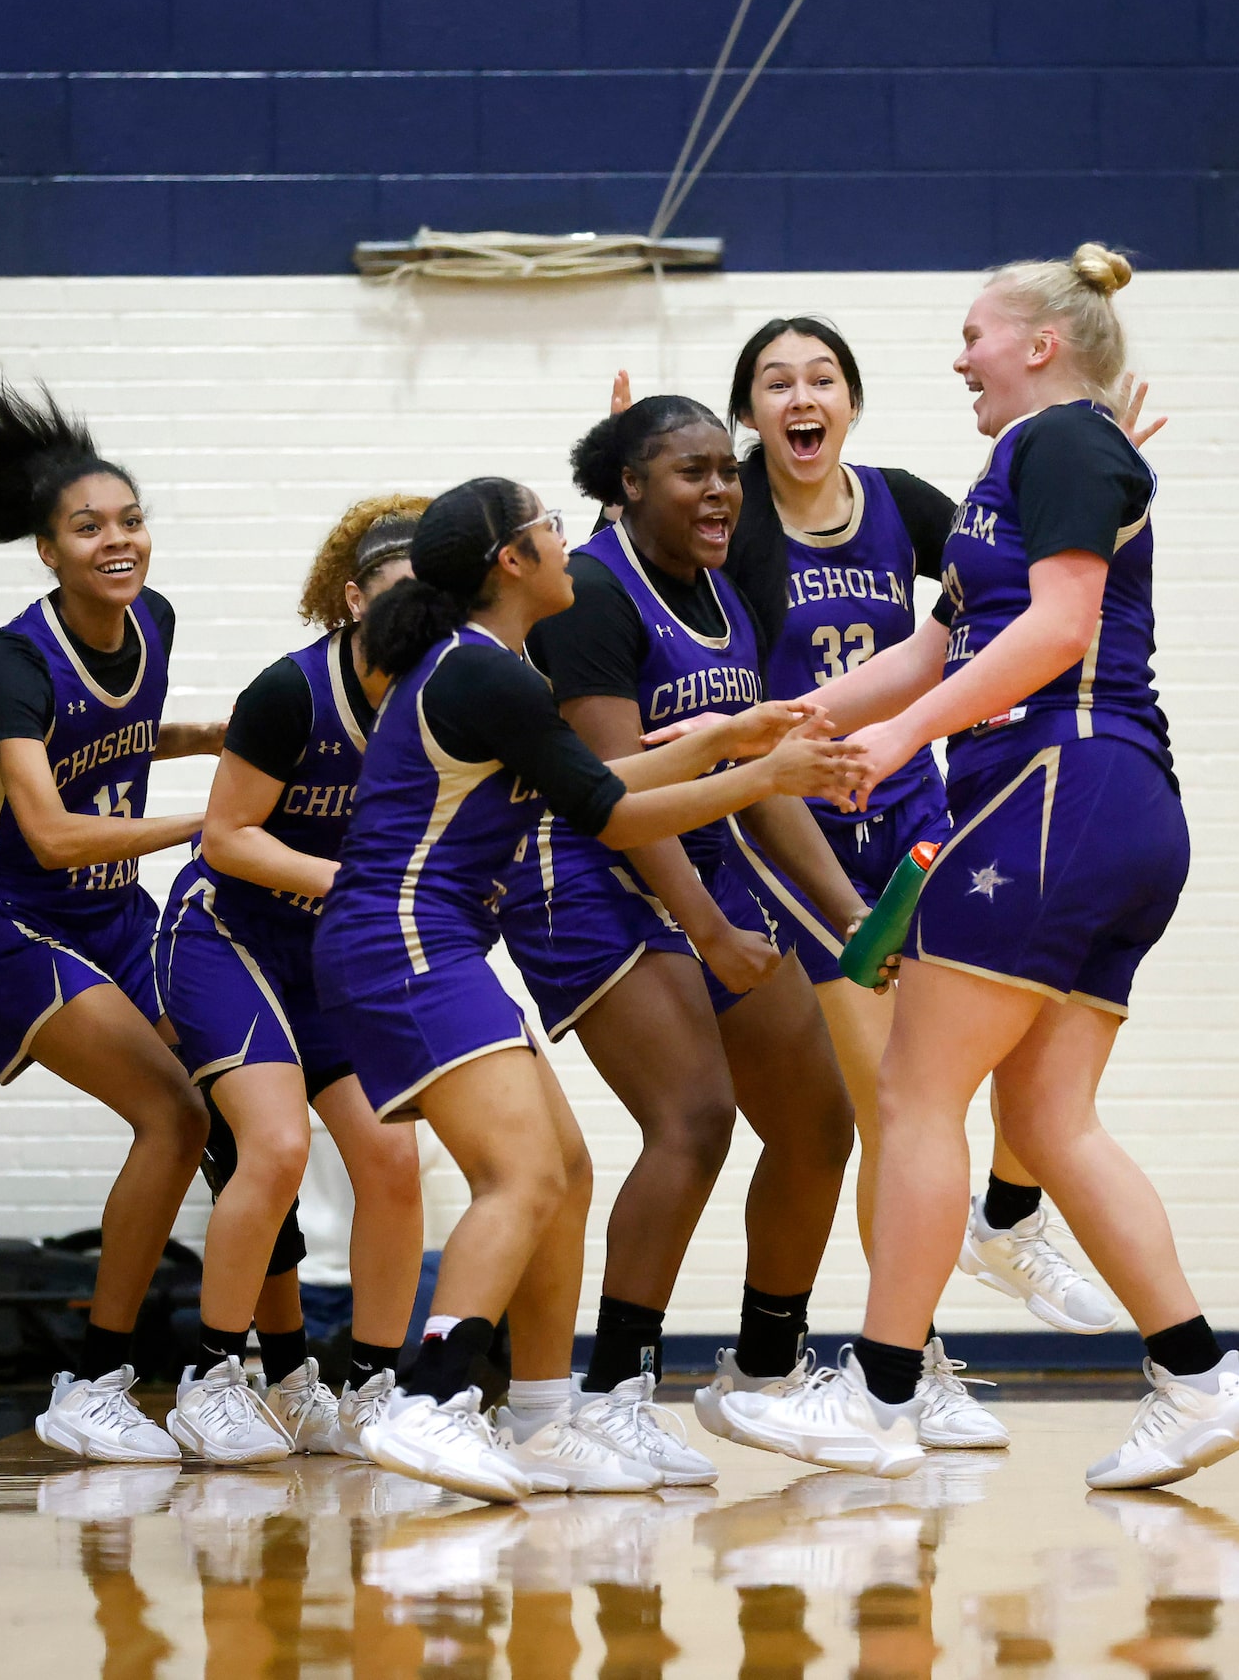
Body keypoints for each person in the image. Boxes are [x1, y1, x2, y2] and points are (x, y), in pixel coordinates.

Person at [723, 245, 1239, 1491]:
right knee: (1043, 1116)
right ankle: (1197, 1378)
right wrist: (773, 728)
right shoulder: (1038, 456)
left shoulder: (1063, 443)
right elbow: (932, 648)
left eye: (974, 332)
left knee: (917, 1099)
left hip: (1053, 789)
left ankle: (876, 1397)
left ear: (1038, 341)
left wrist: (906, 739)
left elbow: (1061, 627)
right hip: (1107, 809)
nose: (957, 354)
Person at [313, 477, 862, 1503]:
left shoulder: (496, 669)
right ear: (511, 563)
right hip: (402, 939)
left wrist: (733, 739)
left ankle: (542, 1415)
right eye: (550, 530)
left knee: (560, 1169)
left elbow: (604, 782)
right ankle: (428, 1402)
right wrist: (761, 778)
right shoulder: (488, 677)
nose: (570, 543)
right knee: (522, 1176)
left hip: (426, 943)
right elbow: (612, 819)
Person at [714, 319, 1151, 1346]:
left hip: (911, 800)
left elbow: (1012, 579)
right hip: (802, 806)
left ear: (851, 402)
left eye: (821, 377)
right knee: (893, 1103)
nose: (800, 397)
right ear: (751, 415)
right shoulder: (730, 520)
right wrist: (624, 502)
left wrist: (1106, 484)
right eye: (776, 383)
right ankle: (912, 1360)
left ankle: (1004, 1225)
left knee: (993, 1059)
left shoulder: (904, 502)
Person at [502, 394, 865, 1476]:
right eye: (689, 471)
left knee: (818, 1121)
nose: (718, 490)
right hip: (584, 878)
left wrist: (851, 914)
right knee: (695, 1119)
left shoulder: (724, 590)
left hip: (693, 877)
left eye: (725, 470)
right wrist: (708, 932)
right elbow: (614, 797)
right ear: (629, 485)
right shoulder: (594, 595)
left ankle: (763, 1371)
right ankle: (610, 1393)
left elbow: (760, 781)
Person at [0, 379, 223, 1465]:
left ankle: (259, 1371)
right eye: (90, 527)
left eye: (131, 519)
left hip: (114, 915)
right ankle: (90, 1384)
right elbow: (49, 833)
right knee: (173, 1115)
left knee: (241, 1104)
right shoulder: (14, 660)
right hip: (16, 921)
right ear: (47, 552)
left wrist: (221, 736)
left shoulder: (156, 619)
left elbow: (124, 734)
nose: (118, 539)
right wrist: (206, 820)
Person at [157, 497, 431, 1463]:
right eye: (397, 598)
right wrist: (351, 885)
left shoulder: (445, 700)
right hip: (228, 938)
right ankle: (214, 1380)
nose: (415, 619)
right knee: (274, 1146)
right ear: (352, 600)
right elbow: (227, 838)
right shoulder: (290, 693)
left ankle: (369, 1388)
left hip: (336, 959)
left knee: (394, 1162)